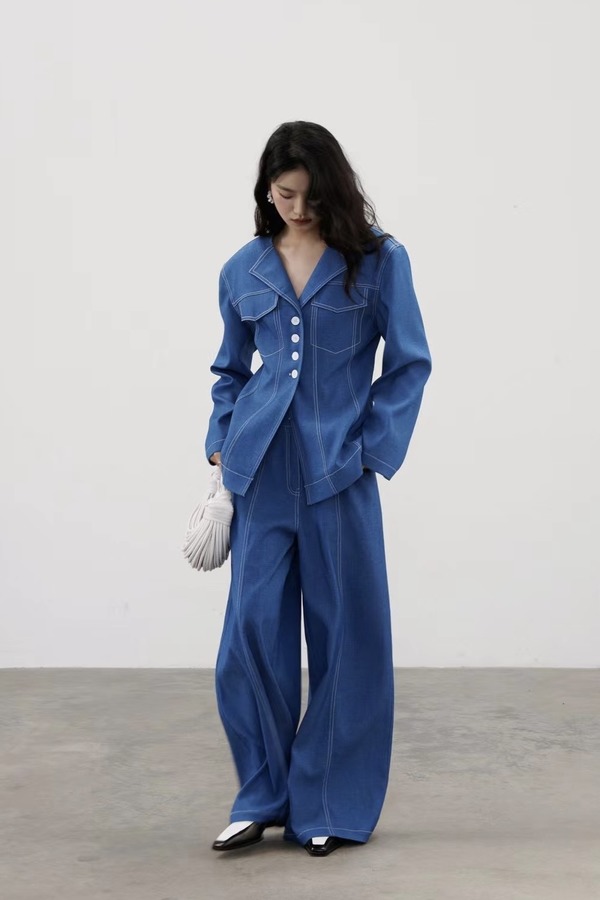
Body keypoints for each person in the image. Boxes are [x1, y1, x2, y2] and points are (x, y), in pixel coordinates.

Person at [204, 121, 431, 857]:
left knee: (349, 640)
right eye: (284, 195)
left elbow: (410, 362)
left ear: (333, 189)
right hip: (259, 474)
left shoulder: (378, 261)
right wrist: (220, 440)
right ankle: (261, 795)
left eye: (310, 195)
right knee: (250, 635)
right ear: (266, 191)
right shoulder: (242, 270)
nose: (298, 210)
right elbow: (230, 371)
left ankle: (329, 801)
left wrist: (372, 451)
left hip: (340, 475)